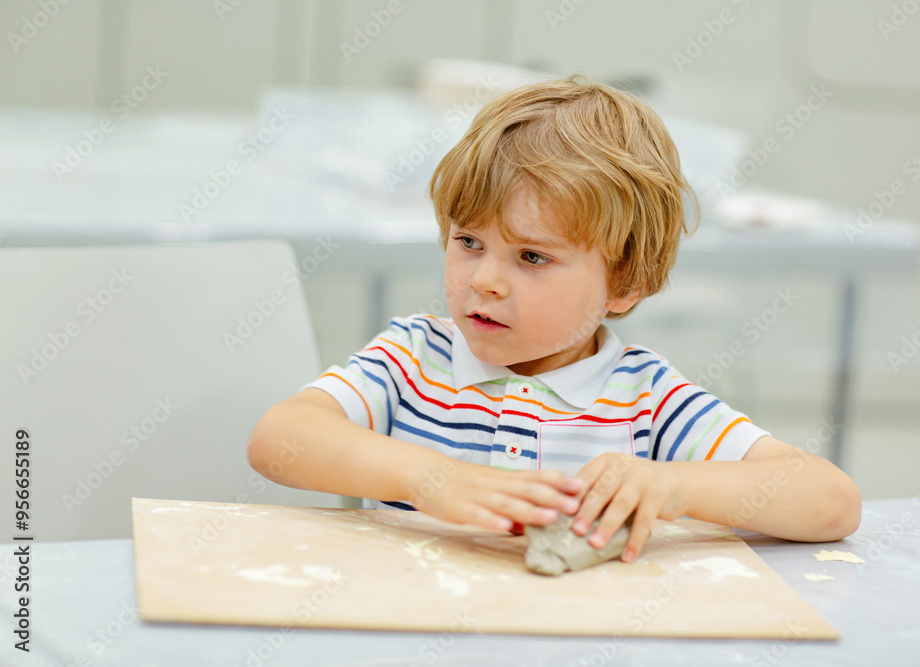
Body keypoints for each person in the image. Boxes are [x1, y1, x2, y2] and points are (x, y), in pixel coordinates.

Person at [248, 76, 861, 563]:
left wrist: (674, 486)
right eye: (468, 243)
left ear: (625, 283)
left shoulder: (644, 397)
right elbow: (279, 439)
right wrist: (432, 478)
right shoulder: (414, 358)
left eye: (532, 256)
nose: (484, 278)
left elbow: (830, 501)